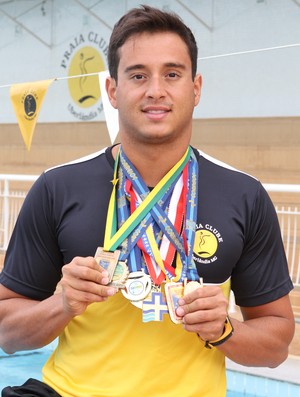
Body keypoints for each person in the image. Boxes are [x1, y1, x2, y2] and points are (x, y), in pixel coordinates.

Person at [0, 5, 295, 397]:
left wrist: (224, 329)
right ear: (112, 91)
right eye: (138, 75)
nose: (156, 89)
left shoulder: (243, 194)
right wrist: (62, 304)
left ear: (196, 88)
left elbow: (275, 345)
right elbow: (7, 333)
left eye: (172, 74)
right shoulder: (58, 187)